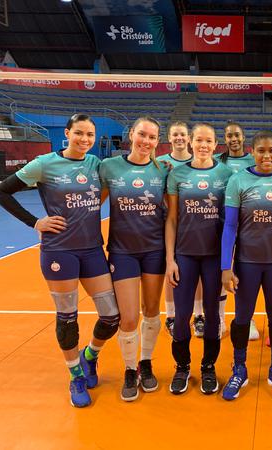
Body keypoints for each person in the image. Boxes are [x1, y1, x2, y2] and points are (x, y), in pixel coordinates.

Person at [0, 114, 119, 408]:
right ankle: (75, 375)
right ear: (67, 133)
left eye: (89, 135)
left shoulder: (96, 165)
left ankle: (90, 356)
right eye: (79, 133)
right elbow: (0, 191)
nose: (84, 139)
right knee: (68, 318)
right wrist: (36, 222)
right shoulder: (44, 163)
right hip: (59, 250)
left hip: (92, 249)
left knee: (111, 316)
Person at [221, 130, 272, 400]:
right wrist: (225, 267)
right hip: (247, 263)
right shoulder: (238, 180)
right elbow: (229, 226)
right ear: (252, 151)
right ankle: (239, 368)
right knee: (241, 319)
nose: (266, 155)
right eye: (261, 150)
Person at [100, 116, 167, 402]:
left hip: (154, 250)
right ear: (131, 134)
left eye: (152, 137)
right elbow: (92, 204)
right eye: (142, 134)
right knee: (128, 318)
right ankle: (130, 369)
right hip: (122, 251)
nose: (146, 141)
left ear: (156, 141)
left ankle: (146, 362)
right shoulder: (109, 167)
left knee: (151, 311)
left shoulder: (163, 169)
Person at [165, 123, 233, 395]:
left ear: (215, 145)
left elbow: (231, 222)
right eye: (199, 140)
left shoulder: (226, 174)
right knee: (181, 317)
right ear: (190, 142)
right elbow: (171, 219)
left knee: (213, 316)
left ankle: (208, 367)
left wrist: (229, 262)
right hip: (185, 255)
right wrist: (170, 259)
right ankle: (182, 367)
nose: (203, 145)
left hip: (214, 257)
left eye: (209, 141)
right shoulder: (177, 175)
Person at [218, 121, 260, 340]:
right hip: (222, 222)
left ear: (244, 138)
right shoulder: (218, 162)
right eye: (229, 136)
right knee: (222, 271)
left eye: (237, 135)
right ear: (224, 139)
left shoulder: (252, 160)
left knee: (245, 274)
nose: (234, 139)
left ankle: (248, 318)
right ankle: (220, 318)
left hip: (249, 225)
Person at [156, 121, 193, 337]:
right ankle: (171, 315)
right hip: (168, 222)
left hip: (193, 223)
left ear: (188, 138)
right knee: (171, 269)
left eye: (182, 134)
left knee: (194, 272)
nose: (179, 138)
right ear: (169, 138)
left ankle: (198, 315)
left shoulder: (199, 161)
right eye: (175, 135)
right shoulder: (160, 164)